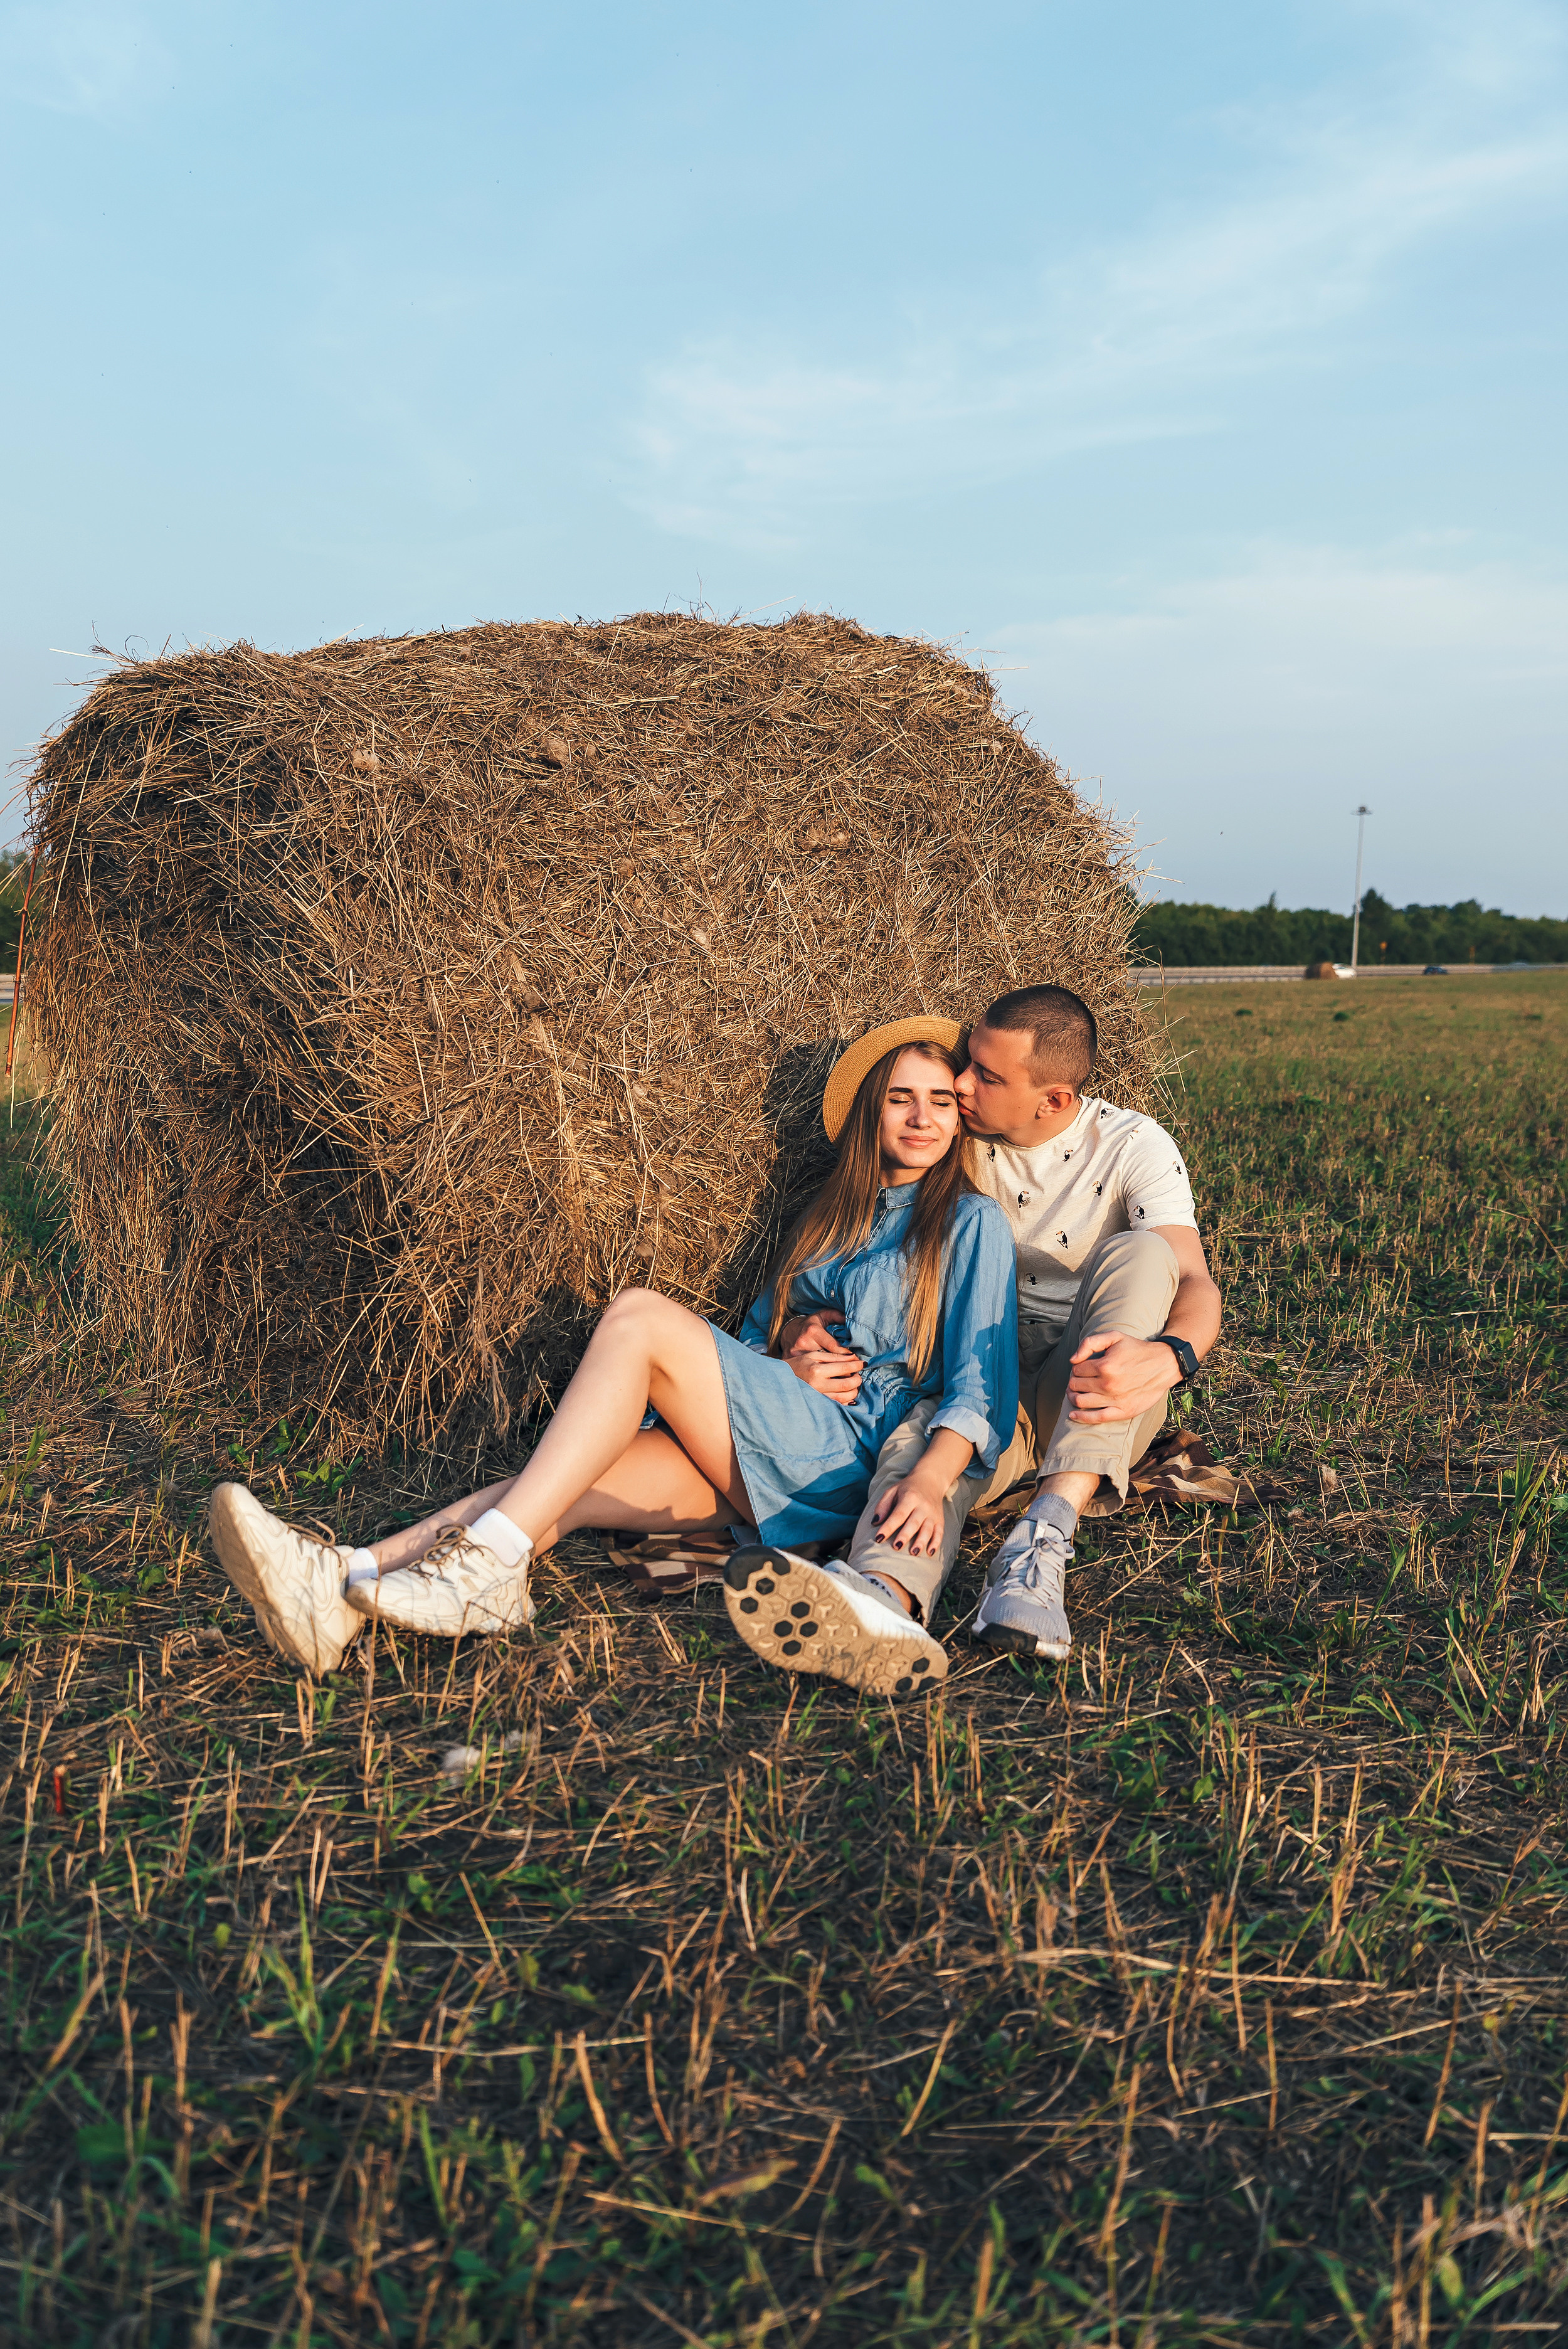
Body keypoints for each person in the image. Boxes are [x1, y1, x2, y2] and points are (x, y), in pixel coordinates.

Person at [208, 1026, 1018, 1699]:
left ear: (961, 1117)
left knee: (637, 1316)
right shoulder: (823, 1218)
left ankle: (485, 1569)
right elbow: (751, 1341)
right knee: (560, 1485)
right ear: (873, 1111)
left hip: (847, 1453)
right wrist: (787, 1356)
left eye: (941, 1101)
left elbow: (983, 1380)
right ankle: (340, 1584)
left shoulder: (968, 1221)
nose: (920, 1117)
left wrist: (929, 1477)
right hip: (769, 1443)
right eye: (901, 1098)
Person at [777, 985, 1220, 1664]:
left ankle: (1042, 1542)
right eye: (967, 1060)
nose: (957, 1084)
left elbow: (1191, 1280)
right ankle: (883, 1599)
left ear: (1054, 1101)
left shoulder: (1132, 1146)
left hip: (1091, 1374)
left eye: (985, 1075)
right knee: (925, 1445)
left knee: (1144, 1251)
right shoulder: (955, 1138)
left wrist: (1172, 1356)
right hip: (987, 1383)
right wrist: (794, 1330)